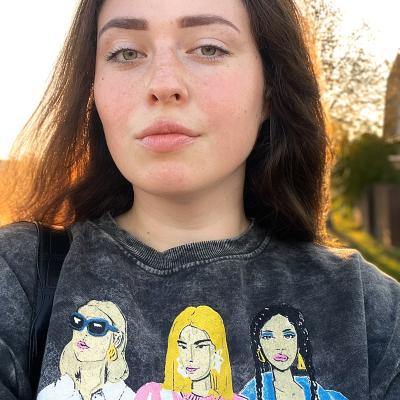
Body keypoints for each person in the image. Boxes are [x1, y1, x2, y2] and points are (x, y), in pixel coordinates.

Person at [0, 0, 399, 399]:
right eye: (125, 52)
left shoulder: (373, 314)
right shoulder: (16, 277)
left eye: (209, 48)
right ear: (93, 90)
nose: (163, 84)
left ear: (270, 89)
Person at [240, 304, 347, 400]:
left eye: (288, 336)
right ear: (259, 346)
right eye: (268, 337)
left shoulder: (319, 392)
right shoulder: (250, 394)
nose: (279, 346)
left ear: (299, 343)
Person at [136, 305, 243, 400]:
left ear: (217, 351)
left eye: (200, 346)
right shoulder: (152, 394)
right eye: (183, 347)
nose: (190, 357)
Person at [36, 300, 134, 400]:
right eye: (78, 322)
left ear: (116, 339)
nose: (83, 332)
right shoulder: (51, 394)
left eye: (96, 327)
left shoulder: (127, 396)